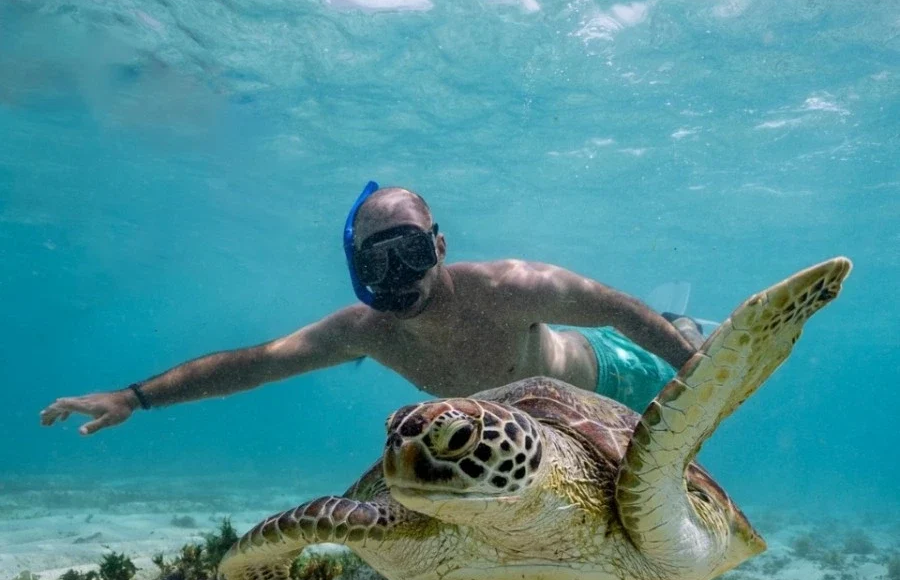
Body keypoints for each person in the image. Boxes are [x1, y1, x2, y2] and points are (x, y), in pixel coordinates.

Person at [40, 184, 705, 438]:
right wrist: (135, 396)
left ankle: (686, 324)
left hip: (614, 377)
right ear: (356, 270)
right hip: (540, 436)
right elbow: (256, 364)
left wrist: (694, 369)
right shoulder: (368, 332)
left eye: (410, 253)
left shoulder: (507, 287)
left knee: (681, 343)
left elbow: (617, 310)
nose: (398, 281)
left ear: (439, 246)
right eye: (375, 264)